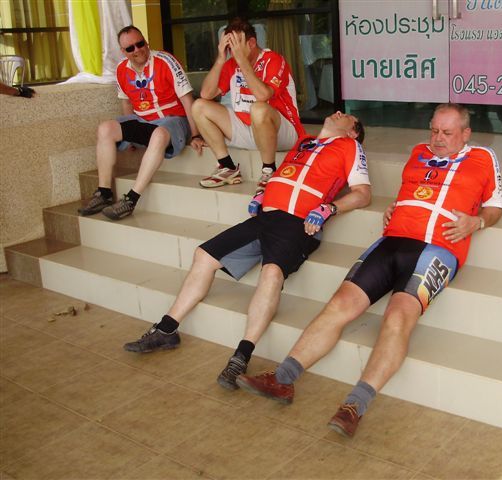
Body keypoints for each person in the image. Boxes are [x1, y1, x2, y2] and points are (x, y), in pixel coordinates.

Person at [236, 103, 502, 437]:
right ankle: (283, 379)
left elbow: (495, 206)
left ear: (465, 133)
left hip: (437, 248)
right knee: (340, 303)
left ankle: (354, 405)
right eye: (434, 130)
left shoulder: (482, 157)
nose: (437, 138)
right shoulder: (419, 152)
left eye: (447, 133)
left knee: (397, 316)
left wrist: (477, 222)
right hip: (391, 241)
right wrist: (397, 207)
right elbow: (415, 191)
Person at [123, 111, 370, 393]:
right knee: (204, 255)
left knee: (272, 274)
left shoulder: (351, 147)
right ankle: (167, 329)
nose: (337, 112)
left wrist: (330, 208)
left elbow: (363, 193)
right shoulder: (305, 142)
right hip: (266, 216)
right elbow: (287, 175)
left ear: (353, 132)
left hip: (298, 223)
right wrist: (264, 193)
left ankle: (241, 357)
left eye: (347, 116)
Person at [78, 25, 205, 221]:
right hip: (143, 120)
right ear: (123, 51)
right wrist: (130, 138)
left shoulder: (166, 60)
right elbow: (126, 103)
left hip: (173, 120)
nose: (137, 50)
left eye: (140, 44)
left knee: (159, 134)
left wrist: (195, 134)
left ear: (146, 42)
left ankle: (131, 199)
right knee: (105, 129)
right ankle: (104, 193)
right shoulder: (121, 69)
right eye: (130, 48)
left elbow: (188, 100)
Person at [193, 18, 305, 192]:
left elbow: (263, 95)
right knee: (199, 106)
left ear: (251, 43)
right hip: (248, 129)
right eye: (229, 46)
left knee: (258, 108)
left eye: (236, 45)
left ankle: (269, 170)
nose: (233, 51)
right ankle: (227, 167)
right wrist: (221, 58)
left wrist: (242, 63)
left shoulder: (274, 60)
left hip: (283, 132)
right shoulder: (230, 64)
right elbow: (206, 94)